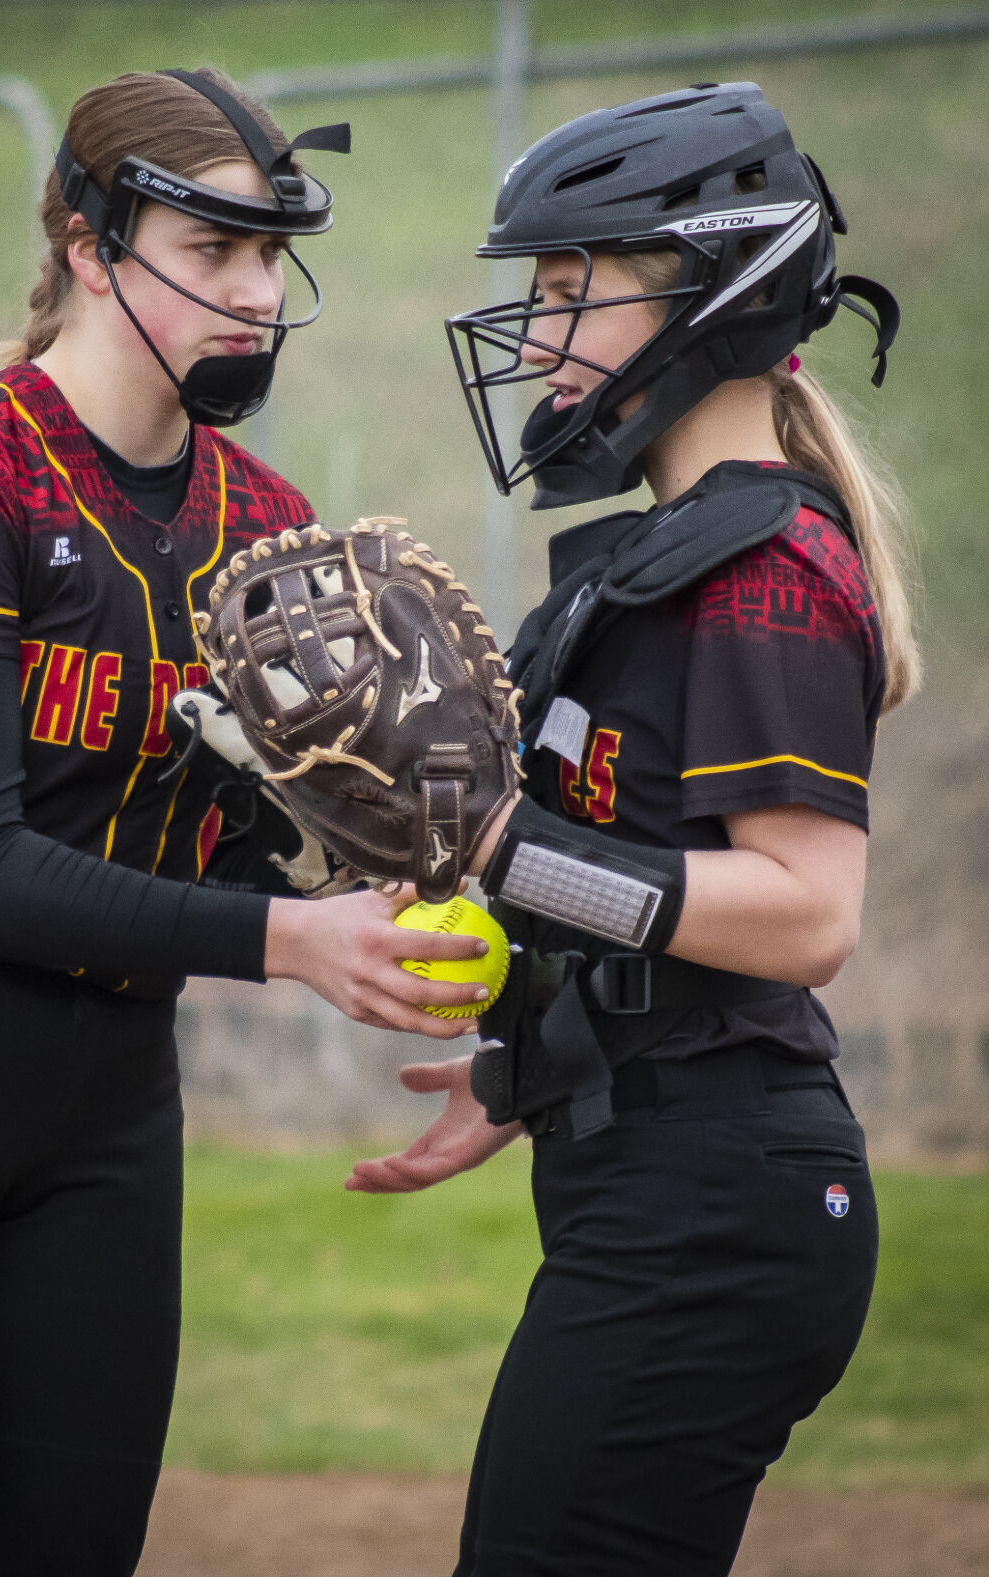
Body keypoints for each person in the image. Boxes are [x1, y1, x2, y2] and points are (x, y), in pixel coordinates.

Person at [0, 67, 489, 1577]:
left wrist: (405, 866)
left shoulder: (266, 528)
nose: (256, 295)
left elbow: (255, 834)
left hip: (104, 1107)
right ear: (88, 243)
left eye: (273, 254)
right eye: (214, 252)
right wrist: (289, 940)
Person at [348, 82, 919, 1577]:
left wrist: (494, 847)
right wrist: (531, 1066)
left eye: (565, 289)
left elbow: (805, 913)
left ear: (710, 295)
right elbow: (640, 877)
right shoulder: (666, 557)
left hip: (717, 1207)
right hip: (667, 1180)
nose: (533, 337)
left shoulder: (764, 564)